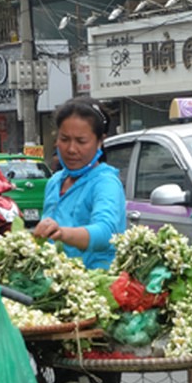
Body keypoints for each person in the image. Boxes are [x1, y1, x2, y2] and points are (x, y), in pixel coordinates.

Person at [32, 97, 125, 271]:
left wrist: (62, 233)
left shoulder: (105, 182)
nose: (71, 149)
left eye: (81, 141)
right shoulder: (54, 182)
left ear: (99, 142)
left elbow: (107, 233)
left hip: (95, 287)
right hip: (55, 285)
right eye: (64, 139)